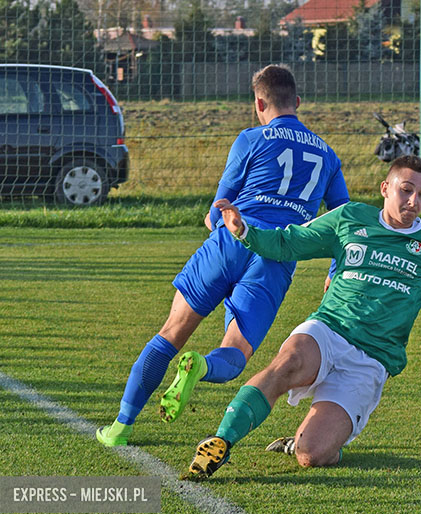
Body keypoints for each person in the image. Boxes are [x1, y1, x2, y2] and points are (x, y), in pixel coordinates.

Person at [185, 155, 421, 478]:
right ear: (385, 189)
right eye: (406, 190)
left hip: (372, 358)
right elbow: (290, 242)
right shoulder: (350, 218)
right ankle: (221, 441)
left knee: (312, 454)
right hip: (328, 329)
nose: (414, 201)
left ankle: (309, 442)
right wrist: (245, 231)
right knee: (287, 362)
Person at [96, 65, 350, 447]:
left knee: (170, 334)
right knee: (235, 353)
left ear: (259, 103)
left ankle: (121, 426)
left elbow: (218, 209)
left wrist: (217, 227)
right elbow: (341, 220)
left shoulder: (251, 138)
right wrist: (335, 267)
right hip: (277, 256)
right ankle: (201, 367)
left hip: (232, 239)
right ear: (297, 103)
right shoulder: (328, 155)